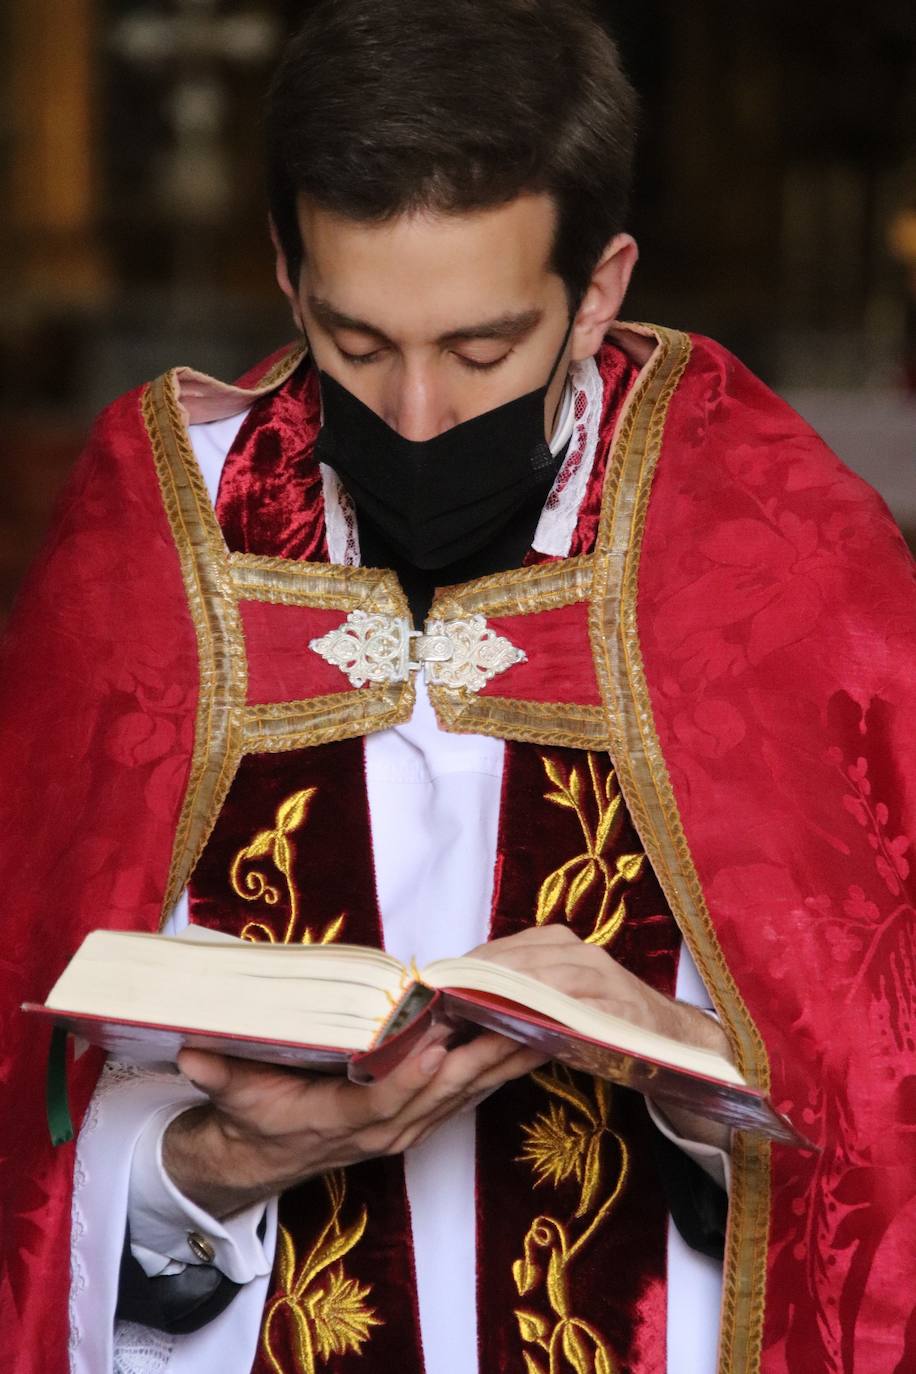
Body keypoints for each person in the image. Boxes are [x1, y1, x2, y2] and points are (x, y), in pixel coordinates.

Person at [2, 3, 914, 1373]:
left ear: (600, 286)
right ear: (289, 276)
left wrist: (706, 1076)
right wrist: (203, 1166)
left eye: (482, 352)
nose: (417, 415)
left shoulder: (776, 551)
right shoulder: (158, 533)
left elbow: (878, 1115)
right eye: (357, 345)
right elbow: (29, 1112)